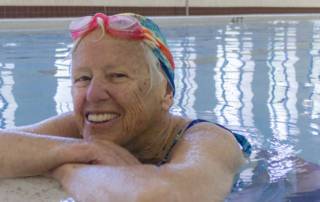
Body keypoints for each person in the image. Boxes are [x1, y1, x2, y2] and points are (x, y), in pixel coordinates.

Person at [0, 13, 251, 202]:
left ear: (166, 92)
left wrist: (66, 170)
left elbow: (167, 194)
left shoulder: (208, 139)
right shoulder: (82, 128)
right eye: (83, 78)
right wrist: (82, 148)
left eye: (117, 76)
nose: (93, 94)